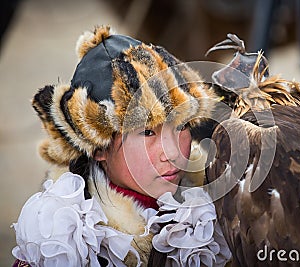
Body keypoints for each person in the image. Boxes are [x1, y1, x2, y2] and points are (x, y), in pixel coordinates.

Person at [11, 25, 231, 266]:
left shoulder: (213, 206)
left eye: (181, 126)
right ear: (98, 148)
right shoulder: (64, 240)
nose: (173, 152)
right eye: (147, 132)